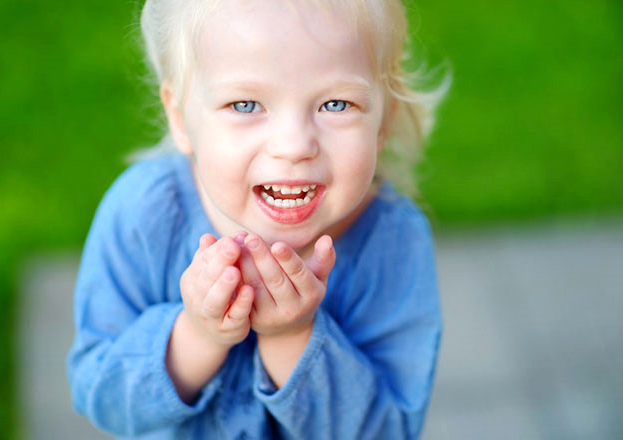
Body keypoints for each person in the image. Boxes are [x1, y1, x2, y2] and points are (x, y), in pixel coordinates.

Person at [67, 0, 446, 438]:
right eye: (246, 104)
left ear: (384, 120)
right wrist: (197, 337)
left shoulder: (394, 242)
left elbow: (388, 431)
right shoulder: (144, 214)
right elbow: (101, 398)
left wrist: (293, 336)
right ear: (180, 117)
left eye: (336, 103)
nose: (293, 145)